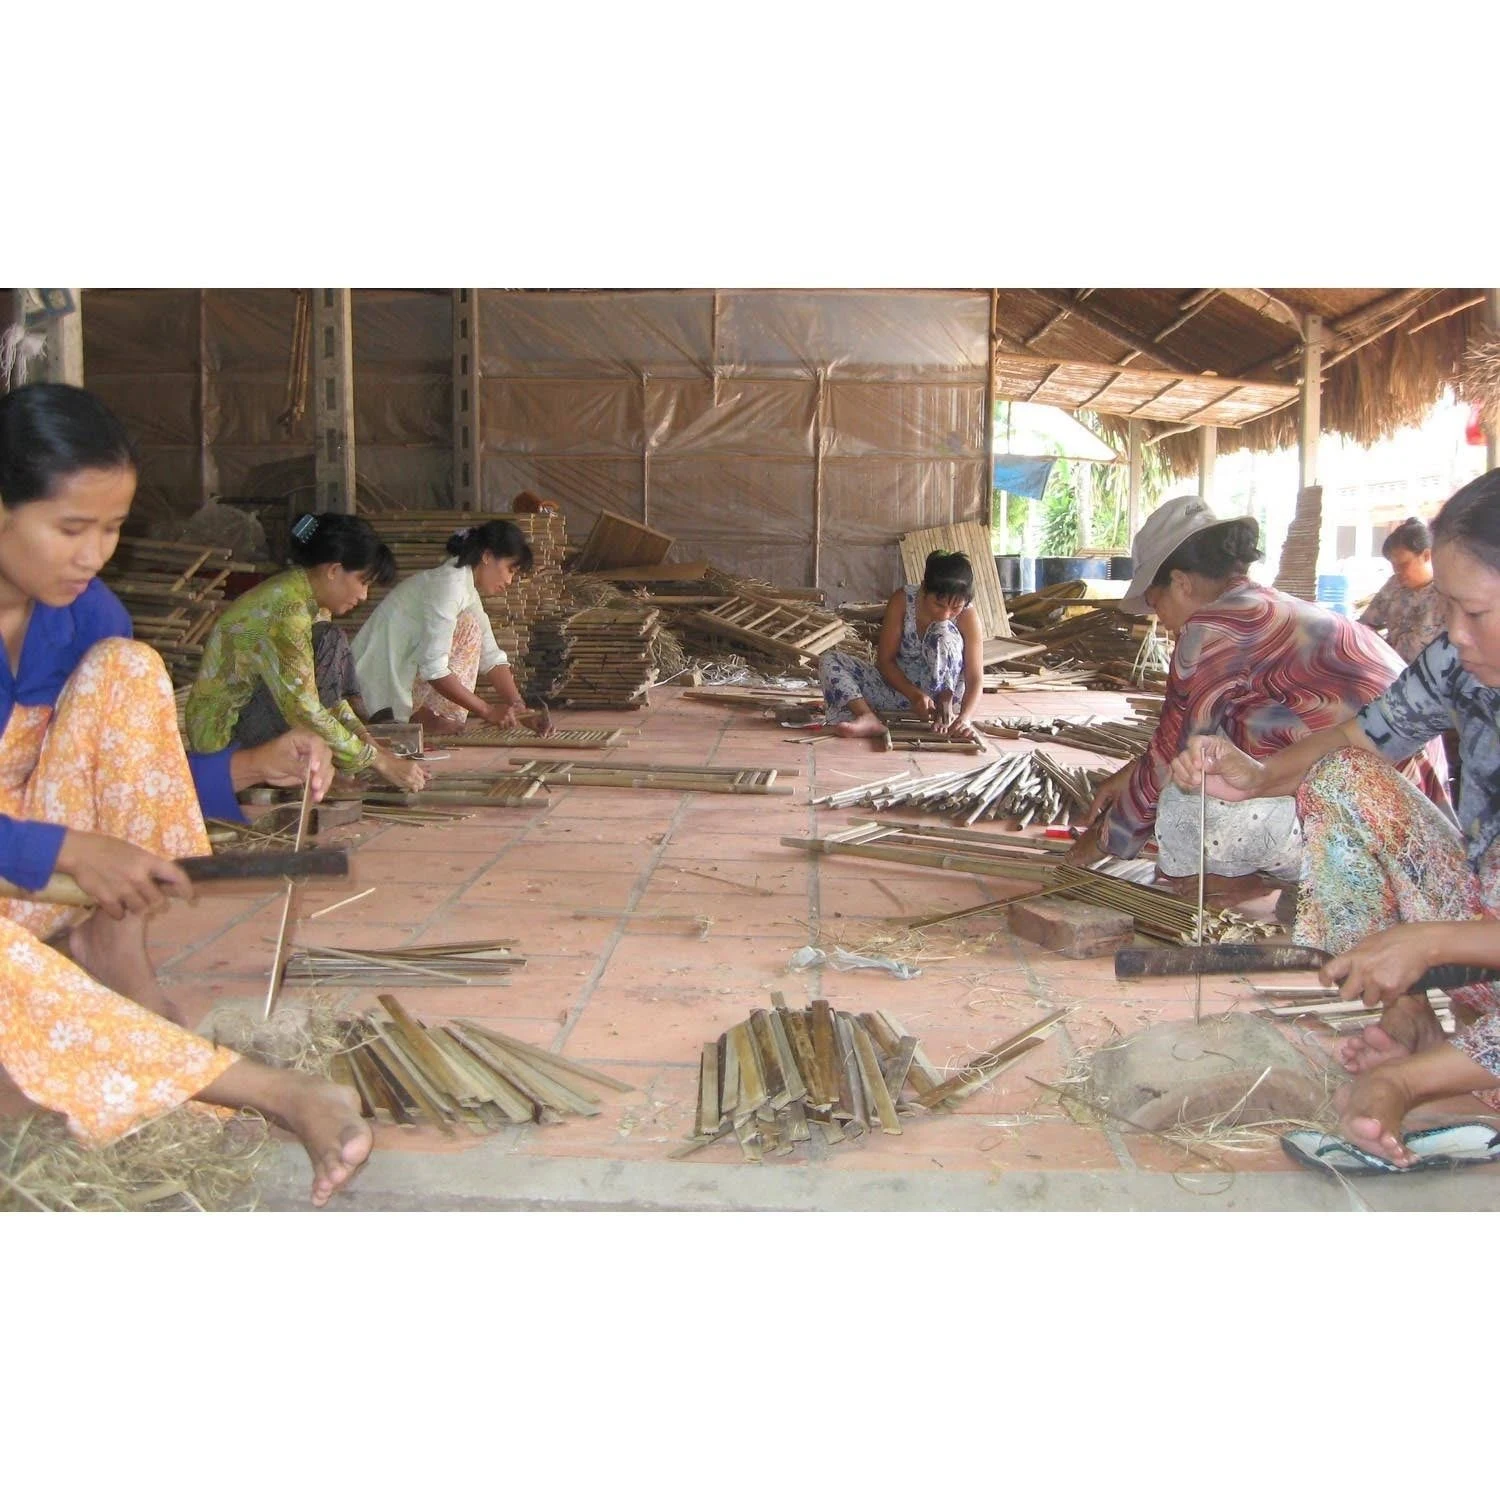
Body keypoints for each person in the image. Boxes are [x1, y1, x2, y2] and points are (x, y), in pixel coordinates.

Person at [0, 382, 369, 1206]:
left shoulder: (87, 613)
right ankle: (273, 1092)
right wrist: (61, 851)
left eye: (112, 529)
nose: (92, 553)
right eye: (69, 528)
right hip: (26, 865)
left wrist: (246, 766)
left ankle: (116, 955)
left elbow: (111, 757)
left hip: (29, 875)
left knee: (131, 671)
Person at [1169, 468, 1500, 1166]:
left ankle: (1426, 1068)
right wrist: (1257, 777)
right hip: (1483, 920)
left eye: (1474, 613)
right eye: (1446, 609)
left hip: (1476, 937)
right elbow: (1357, 739)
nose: (1454, 634)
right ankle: (1410, 1019)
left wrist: (1432, 946)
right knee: (1341, 780)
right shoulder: (1458, 664)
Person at [1066, 495, 1449, 883]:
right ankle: (1288, 878)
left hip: (1382, 806)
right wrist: (1129, 776)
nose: (1160, 620)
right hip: (1414, 790)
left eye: (1155, 602)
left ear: (1181, 583)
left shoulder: (1212, 629)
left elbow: (1172, 754)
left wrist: (1099, 844)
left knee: (1186, 795)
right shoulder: (1258, 605)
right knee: (1215, 748)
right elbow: (1183, 732)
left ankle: (1326, 874)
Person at [185, 511, 427, 793]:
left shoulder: (310, 604)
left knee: (329, 639)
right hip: (224, 742)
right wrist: (378, 763)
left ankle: (329, 770)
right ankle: (297, 775)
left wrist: (377, 751)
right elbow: (305, 709)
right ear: (334, 570)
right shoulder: (287, 611)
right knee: (329, 642)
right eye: (363, 582)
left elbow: (329, 698)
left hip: (254, 718)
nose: (364, 596)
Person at [351, 519, 550, 734]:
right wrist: (487, 710)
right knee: (468, 628)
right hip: (369, 693)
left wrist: (518, 707)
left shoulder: (464, 587)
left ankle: (427, 716)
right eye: (510, 570)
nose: (510, 581)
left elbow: (490, 654)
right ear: (487, 556)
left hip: (386, 688)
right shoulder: (450, 585)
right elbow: (433, 668)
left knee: (472, 628)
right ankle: (426, 718)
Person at [818, 550, 984, 740]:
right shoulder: (903, 601)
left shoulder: (968, 616)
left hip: (944, 702)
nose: (946, 614)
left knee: (942, 631)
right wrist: (914, 695)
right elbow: (885, 661)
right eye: (939, 605)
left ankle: (943, 710)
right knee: (829, 660)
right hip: (898, 693)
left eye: (955, 608)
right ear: (924, 589)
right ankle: (867, 717)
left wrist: (965, 718)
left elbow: (975, 677)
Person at [1358, 515, 1446, 664]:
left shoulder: (1448, 593)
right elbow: (1365, 625)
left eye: (1403, 565)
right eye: (1394, 567)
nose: (1398, 573)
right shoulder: (1394, 586)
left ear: (1426, 556)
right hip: (1392, 670)